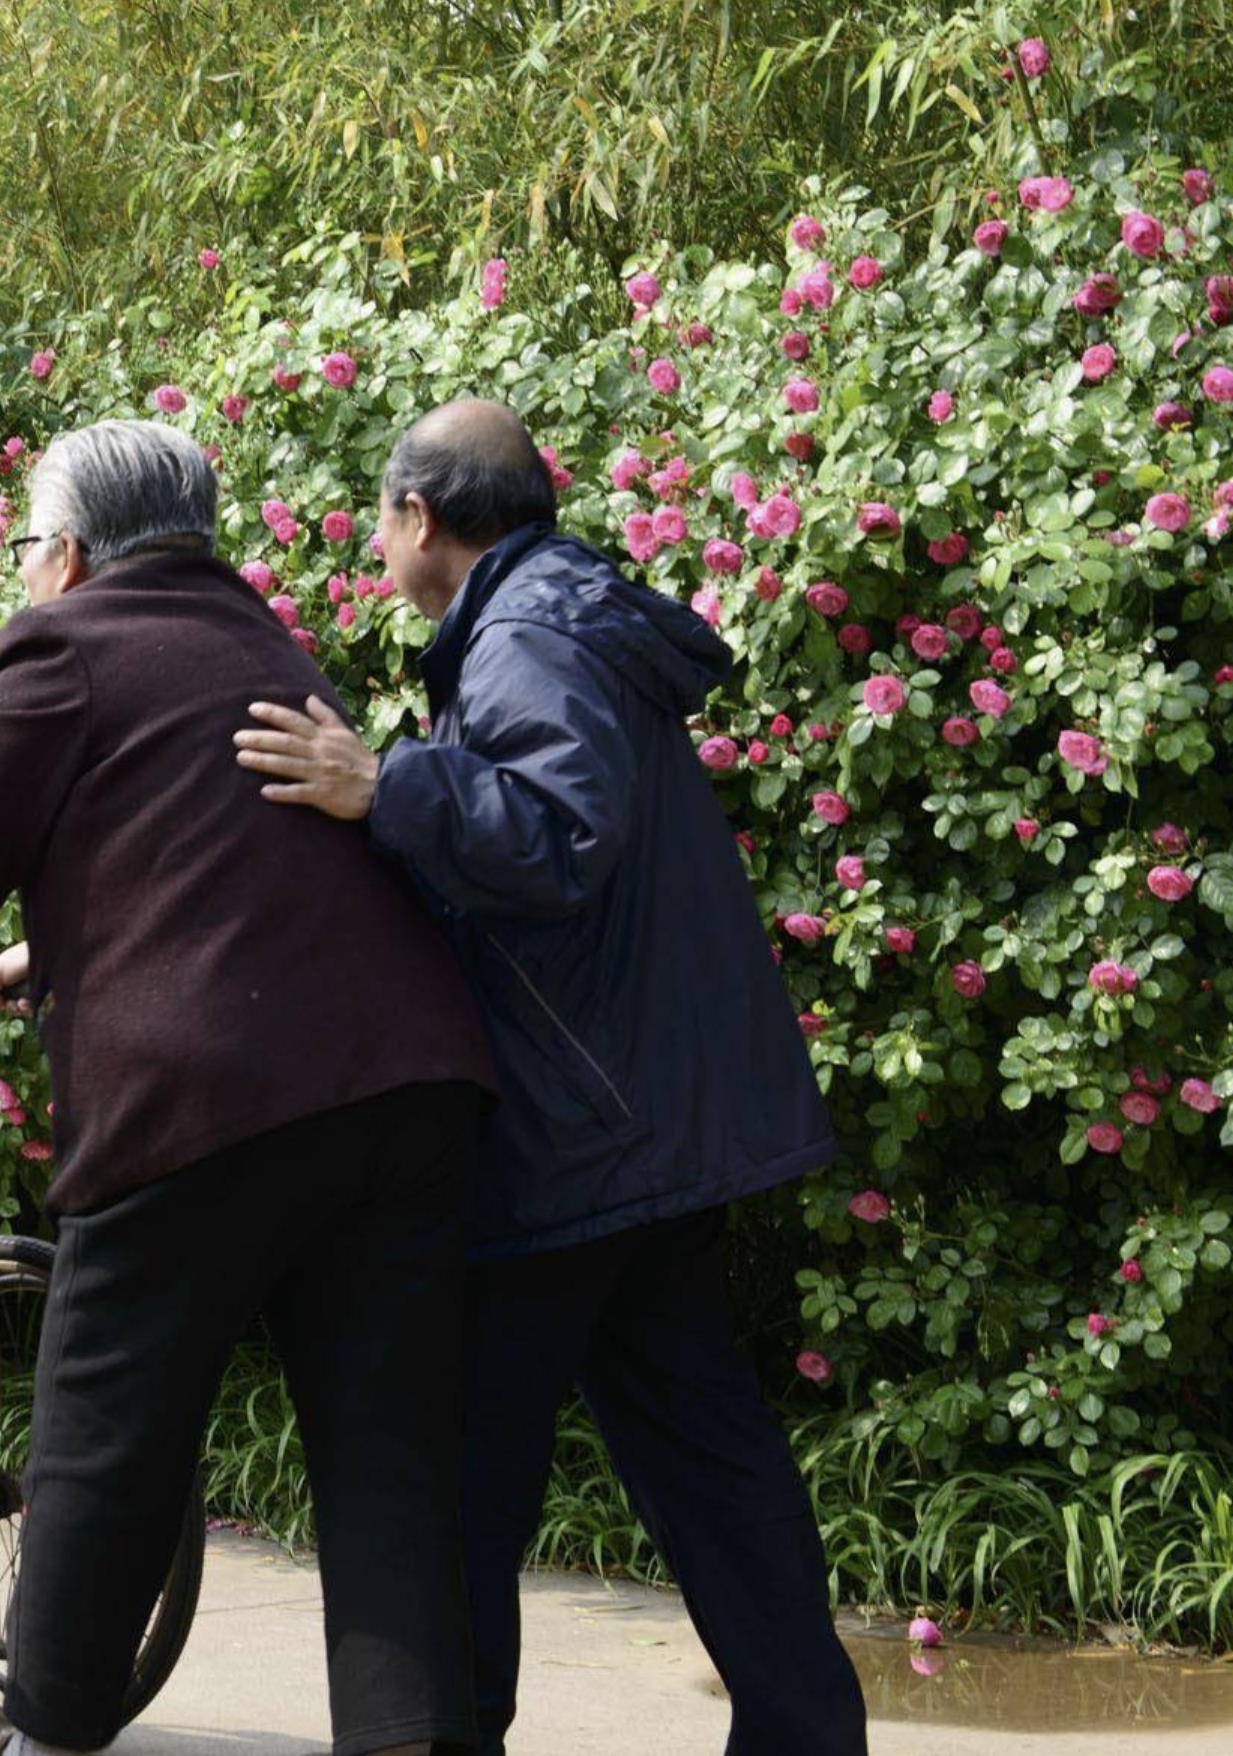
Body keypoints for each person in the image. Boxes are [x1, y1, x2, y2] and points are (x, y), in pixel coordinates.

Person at [0, 418, 496, 1756]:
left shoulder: (72, 642)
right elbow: (225, 857)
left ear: (66, 552)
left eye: (21, 549)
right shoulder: (262, 644)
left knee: (100, 1448)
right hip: (411, 1093)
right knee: (388, 1473)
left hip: (210, 1099)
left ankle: (47, 1743)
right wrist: (59, 939)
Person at [233, 399, 868, 1756]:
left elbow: (557, 837)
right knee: (710, 1465)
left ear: (419, 516)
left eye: (380, 515)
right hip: (641, 1135)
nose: (375, 540)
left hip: (585, 1141)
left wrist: (380, 784)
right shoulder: (558, 614)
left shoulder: (524, 635)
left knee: (466, 1479)